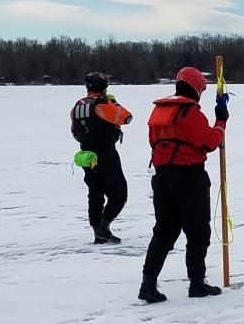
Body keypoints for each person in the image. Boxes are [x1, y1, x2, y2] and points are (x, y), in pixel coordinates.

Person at [137, 66, 228, 303]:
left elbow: (153, 142)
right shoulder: (191, 114)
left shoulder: (158, 113)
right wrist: (221, 119)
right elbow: (210, 142)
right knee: (198, 232)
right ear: (197, 88)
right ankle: (197, 283)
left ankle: (148, 282)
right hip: (189, 179)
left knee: (164, 232)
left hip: (162, 179)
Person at [70, 72, 133, 244]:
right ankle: (103, 228)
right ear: (104, 87)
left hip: (86, 155)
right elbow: (127, 117)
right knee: (119, 194)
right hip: (105, 154)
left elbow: (74, 131)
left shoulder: (77, 106)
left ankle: (98, 231)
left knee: (95, 194)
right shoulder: (103, 105)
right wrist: (113, 102)